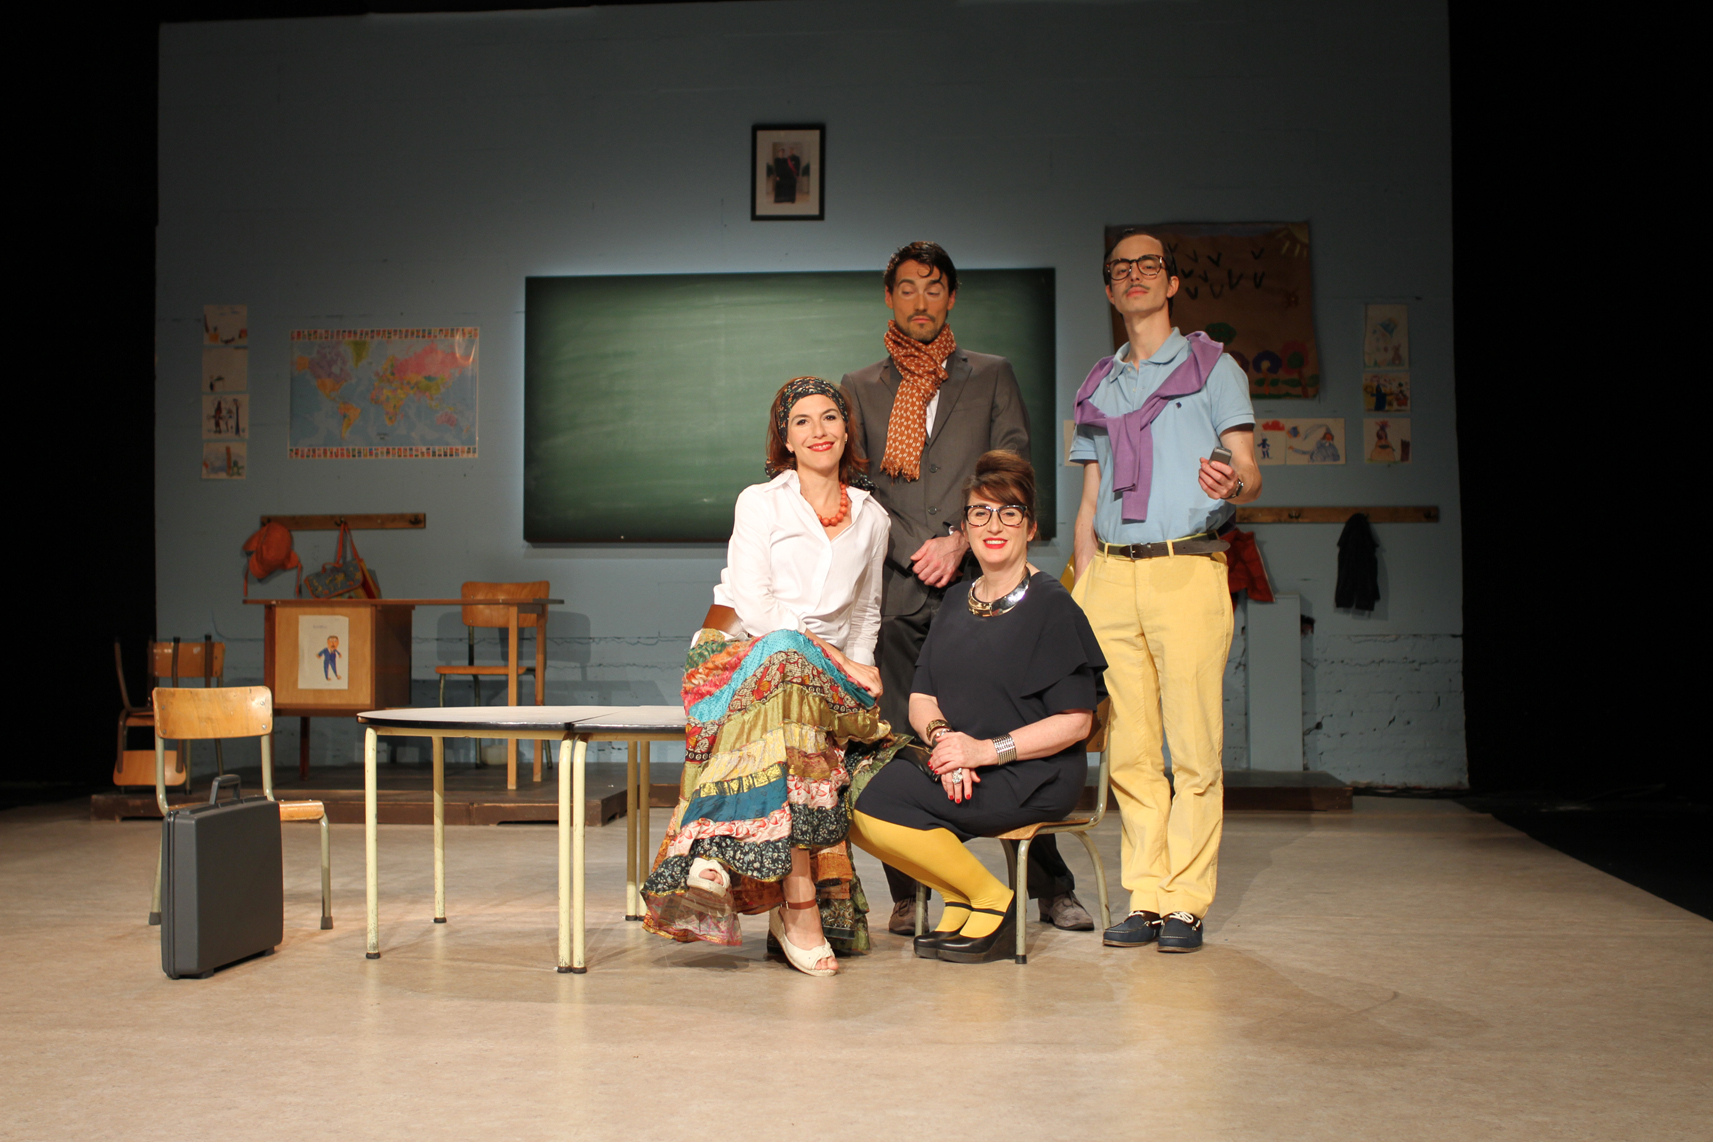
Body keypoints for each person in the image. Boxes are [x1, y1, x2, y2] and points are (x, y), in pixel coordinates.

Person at [840, 241, 1094, 936]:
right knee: (903, 738)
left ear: (951, 297)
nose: (919, 301)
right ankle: (912, 892)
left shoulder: (991, 374)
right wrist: (912, 549)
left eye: (933, 288)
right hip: (899, 588)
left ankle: (1049, 886)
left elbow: (1012, 466)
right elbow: (857, 487)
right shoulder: (858, 386)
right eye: (906, 288)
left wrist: (958, 536)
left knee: (1002, 726)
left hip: (980, 579)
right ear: (889, 298)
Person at [642, 377, 893, 977]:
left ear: (847, 429)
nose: (818, 431)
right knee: (783, 663)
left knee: (791, 690)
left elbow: (866, 612)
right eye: (802, 421)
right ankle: (798, 907)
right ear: (785, 438)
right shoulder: (760, 501)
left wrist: (859, 666)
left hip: (815, 675)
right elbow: (754, 605)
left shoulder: (872, 517)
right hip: (735, 655)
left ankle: (714, 852)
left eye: (829, 417)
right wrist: (827, 655)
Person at [1068, 228, 1262, 953]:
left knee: (1194, 745)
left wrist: (1232, 481)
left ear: (1172, 282)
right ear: (1109, 288)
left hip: (1187, 567)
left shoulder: (1214, 367)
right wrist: (1086, 583)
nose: (1135, 275)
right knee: (1129, 750)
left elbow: (1248, 469)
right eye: (1120, 267)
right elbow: (1090, 499)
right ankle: (1145, 896)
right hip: (1113, 575)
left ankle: (1186, 900)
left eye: (1149, 264)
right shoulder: (1098, 383)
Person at [851, 451, 1105, 964]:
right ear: (964, 528)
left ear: (1030, 527)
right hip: (962, 764)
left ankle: (992, 899)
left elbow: (1076, 723)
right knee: (848, 793)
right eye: (980, 513)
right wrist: (947, 743)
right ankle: (962, 896)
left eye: (1009, 513)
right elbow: (922, 696)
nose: (994, 525)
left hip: (1032, 774)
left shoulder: (1052, 606)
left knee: (873, 801)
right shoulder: (955, 600)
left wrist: (983, 752)